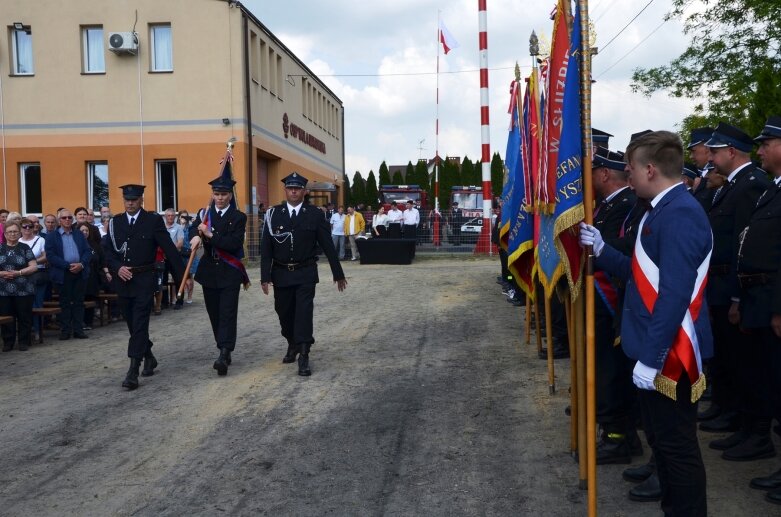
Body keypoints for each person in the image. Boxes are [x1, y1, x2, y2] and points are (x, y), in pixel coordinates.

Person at [580, 130, 712, 516]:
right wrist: (603, 251)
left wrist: (653, 357)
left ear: (650, 169)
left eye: (631, 168)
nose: (627, 175)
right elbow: (642, 277)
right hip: (657, 347)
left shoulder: (681, 214)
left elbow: (674, 294)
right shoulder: (661, 209)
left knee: (677, 448)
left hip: (673, 354)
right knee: (661, 440)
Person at [701, 123, 770, 443]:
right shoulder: (732, 185)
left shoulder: (750, 185)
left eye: (714, 152)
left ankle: (751, 427)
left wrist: (736, 298)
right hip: (720, 287)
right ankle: (732, 413)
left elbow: (744, 246)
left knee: (746, 362)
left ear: (731, 152)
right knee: (729, 357)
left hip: (734, 288)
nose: (710, 158)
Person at [260, 172, 347, 376]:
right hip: (281, 273)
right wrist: (265, 277)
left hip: (306, 272)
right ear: (285, 190)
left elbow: (328, 245)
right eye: (290, 188)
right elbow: (266, 249)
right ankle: (292, 342)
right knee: (284, 313)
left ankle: (304, 354)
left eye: (297, 188)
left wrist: (338, 273)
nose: (293, 191)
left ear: (304, 191)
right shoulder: (273, 214)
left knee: (304, 314)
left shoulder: (315, 214)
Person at [737, 116, 781, 505]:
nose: (761, 149)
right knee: (768, 378)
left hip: (774, 299)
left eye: (767, 142)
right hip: (759, 297)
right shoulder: (773, 190)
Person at [589, 146, 642, 465]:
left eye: (592, 171)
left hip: (611, 299)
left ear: (605, 174)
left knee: (612, 373)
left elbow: (619, 249)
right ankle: (621, 434)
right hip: (603, 299)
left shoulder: (626, 206)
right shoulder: (610, 206)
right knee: (607, 370)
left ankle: (618, 437)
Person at [102, 185, 184, 390]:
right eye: (127, 199)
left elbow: (168, 248)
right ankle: (148, 356)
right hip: (123, 280)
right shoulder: (115, 222)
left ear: (141, 200)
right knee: (132, 324)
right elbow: (106, 252)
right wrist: (117, 267)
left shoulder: (152, 220)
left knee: (139, 322)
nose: (130, 202)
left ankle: (132, 370)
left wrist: (183, 275)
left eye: (134, 199)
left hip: (144, 279)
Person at [189, 176, 249, 376]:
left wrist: (210, 235)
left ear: (230, 195)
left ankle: (224, 352)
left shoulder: (239, 217)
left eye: (223, 194)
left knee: (227, 312)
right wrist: (195, 235)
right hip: (209, 270)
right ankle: (222, 345)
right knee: (214, 313)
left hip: (229, 271)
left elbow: (233, 243)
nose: (220, 198)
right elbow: (193, 228)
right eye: (216, 194)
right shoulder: (205, 213)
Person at [45, 209, 92, 341]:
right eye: (64, 218)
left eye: (69, 218)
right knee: (65, 302)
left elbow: (88, 251)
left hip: (80, 272)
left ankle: (78, 330)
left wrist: (81, 264)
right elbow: (50, 256)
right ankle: (65, 330)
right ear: (59, 220)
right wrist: (67, 265)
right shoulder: (52, 236)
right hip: (63, 273)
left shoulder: (78, 234)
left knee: (78, 302)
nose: (67, 220)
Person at [0, 221, 38, 351]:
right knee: (7, 317)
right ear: (5, 234)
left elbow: (34, 266)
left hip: (24, 289)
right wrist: (3, 273)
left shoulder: (25, 248)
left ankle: (23, 342)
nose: (12, 234)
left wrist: (19, 272)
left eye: (15, 231)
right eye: (10, 232)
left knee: (24, 316)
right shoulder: (0, 248)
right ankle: (8, 343)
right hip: (3, 290)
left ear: (19, 233)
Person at [19, 217, 47, 341]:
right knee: (23, 304)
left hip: (37, 274)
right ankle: (25, 331)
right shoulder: (17, 241)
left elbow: (46, 256)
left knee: (37, 303)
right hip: (21, 275)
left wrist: (32, 262)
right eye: (24, 227)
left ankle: (38, 330)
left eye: (29, 226)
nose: (27, 229)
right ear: (20, 228)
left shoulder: (40, 240)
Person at [77, 222, 105, 331]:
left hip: (92, 276)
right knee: (80, 299)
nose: (84, 233)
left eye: (86, 231)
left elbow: (102, 260)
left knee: (90, 298)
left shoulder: (95, 245)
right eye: (82, 230)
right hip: (80, 275)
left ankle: (89, 322)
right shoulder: (75, 244)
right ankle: (80, 321)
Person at [163, 208, 184, 310]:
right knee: (163, 279)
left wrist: (169, 251)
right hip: (163, 257)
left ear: (175, 217)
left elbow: (180, 243)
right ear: (165, 216)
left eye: (172, 215)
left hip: (175, 257)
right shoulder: (161, 227)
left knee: (178, 279)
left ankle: (179, 301)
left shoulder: (179, 227)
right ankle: (164, 302)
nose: (170, 217)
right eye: (168, 215)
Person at [178, 210, 197, 304]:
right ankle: (178, 295)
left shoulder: (191, 227)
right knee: (178, 276)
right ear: (179, 217)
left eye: (186, 217)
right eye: (182, 217)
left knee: (190, 276)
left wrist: (195, 223)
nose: (184, 219)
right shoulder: (177, 227)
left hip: (190, 254)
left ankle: (190, 296)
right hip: (180, 255)